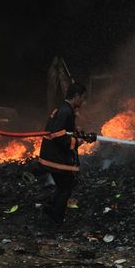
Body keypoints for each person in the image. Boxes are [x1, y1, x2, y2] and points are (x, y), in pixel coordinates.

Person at [38, 83, 95, 224]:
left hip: (51, 156)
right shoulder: (66, 112)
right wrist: (77, 142)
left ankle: (50, 208)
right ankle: (56, 218)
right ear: (76, 96)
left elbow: (65, 130)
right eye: (83, 98)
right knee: (66, 188)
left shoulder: (64, 108)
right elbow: (57, 135)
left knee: (64, 185)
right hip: (56, 157)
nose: (83, 101)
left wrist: (80, 134)